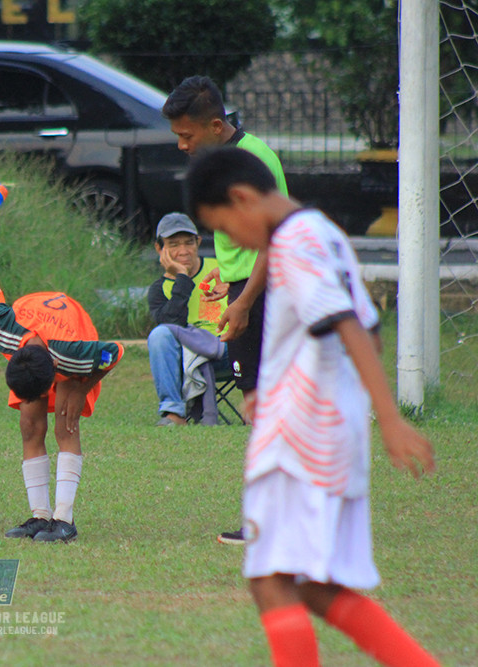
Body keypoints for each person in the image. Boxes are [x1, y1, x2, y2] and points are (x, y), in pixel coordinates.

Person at [185, 146, 439, 667]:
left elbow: (345, 324)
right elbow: (367, 327)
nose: (232, 241)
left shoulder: (294, 244)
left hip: (299, 438)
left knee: (269, 578)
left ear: (241, 198)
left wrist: (390, 419)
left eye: (226, 229)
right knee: (316, 588)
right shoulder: (321, 231)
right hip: (327, 429)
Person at [163, 74, 289, 543]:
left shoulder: (254, 161)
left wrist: (245, 301)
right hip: (245, 287)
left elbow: (275, 240)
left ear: (215, 125)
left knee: (262, 401)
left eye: (186, 136)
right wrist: (223, 278)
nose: (182, 145)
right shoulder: (230, 160)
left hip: (265, 291)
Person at [0, 270, 124, 543]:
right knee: (29, 425)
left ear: (55, 371)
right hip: (33, 312)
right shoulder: (2, 330)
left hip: (68, 322)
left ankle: (64, 521)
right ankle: (40, 516)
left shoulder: (72, 354)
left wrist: (83, 388)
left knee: (65, 424)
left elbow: (115, 351)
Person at [146, 212, 228, 426]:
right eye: (173, 244)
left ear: (198, 242)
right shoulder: (158, 289)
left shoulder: (221, 269)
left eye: (188, 243)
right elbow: (173, 325)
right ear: (159, 249)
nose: (183, 251)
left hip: (228, 350)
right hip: (187, 358)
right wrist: (181, 277)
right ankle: (174, 412)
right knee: (159, 334)